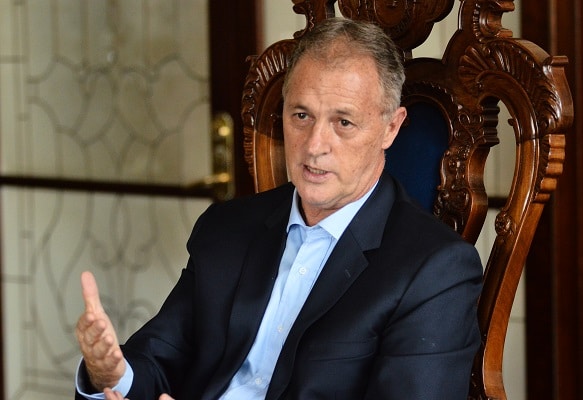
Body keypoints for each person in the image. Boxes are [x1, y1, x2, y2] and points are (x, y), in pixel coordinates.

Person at [75, 17, 482, 400]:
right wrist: (111, 374)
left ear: (390, 127)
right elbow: (163, 357)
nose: (314, 145)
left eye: (343, 122)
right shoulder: (227, 228)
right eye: (301, 115)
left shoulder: (435, 270)